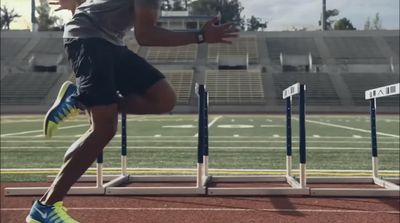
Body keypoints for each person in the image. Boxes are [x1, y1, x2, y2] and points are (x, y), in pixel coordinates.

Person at [26, 0, 239, 222]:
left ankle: (79, 100)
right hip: (88, 39)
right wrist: (200, 36)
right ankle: (45, 208)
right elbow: (145, 36)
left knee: (163, 99)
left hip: (110, 42)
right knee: (104, 129)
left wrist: (79, 4)